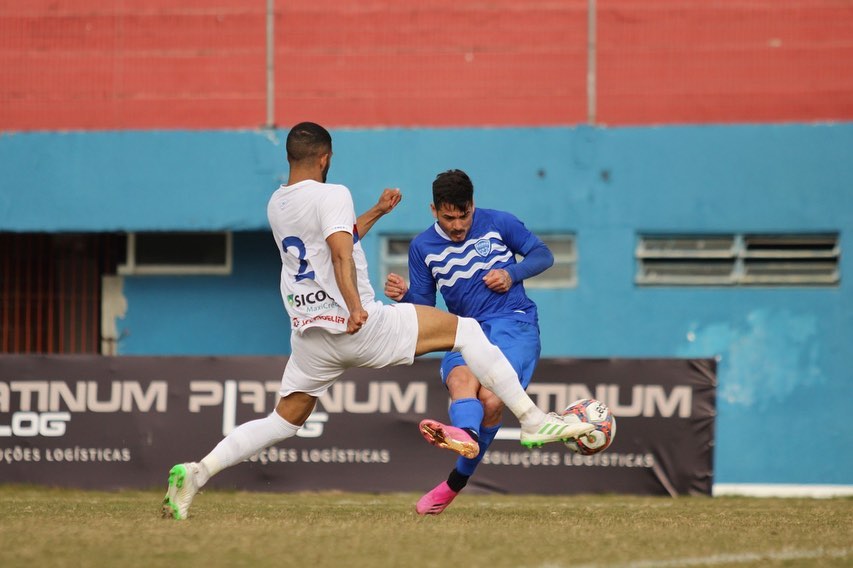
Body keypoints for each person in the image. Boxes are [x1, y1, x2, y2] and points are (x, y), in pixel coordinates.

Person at [161, 123, 593, 520]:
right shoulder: (333, 194)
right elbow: (340, 251)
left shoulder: (278, 203)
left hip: (310, 336)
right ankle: (533, 419)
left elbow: (336, 238)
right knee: (467, 331)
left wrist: (377, 212)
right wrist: (354, 306)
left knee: (283, 420)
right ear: (325, 158)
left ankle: (198, 473)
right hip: (358, 325)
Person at [384, 169, 559, 515]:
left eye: (464, 215)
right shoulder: (422, 247)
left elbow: (543, 255)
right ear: (434, 210)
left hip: (515, 323)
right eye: (449, 217)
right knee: (461, 380)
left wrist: (512, 273)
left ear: (472, 206)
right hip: (464, 329)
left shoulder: (499, 223)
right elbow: (424, 305)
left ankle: (453, 485)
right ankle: (464, 434)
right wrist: (404, 297)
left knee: (492, 400)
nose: (458, 225)